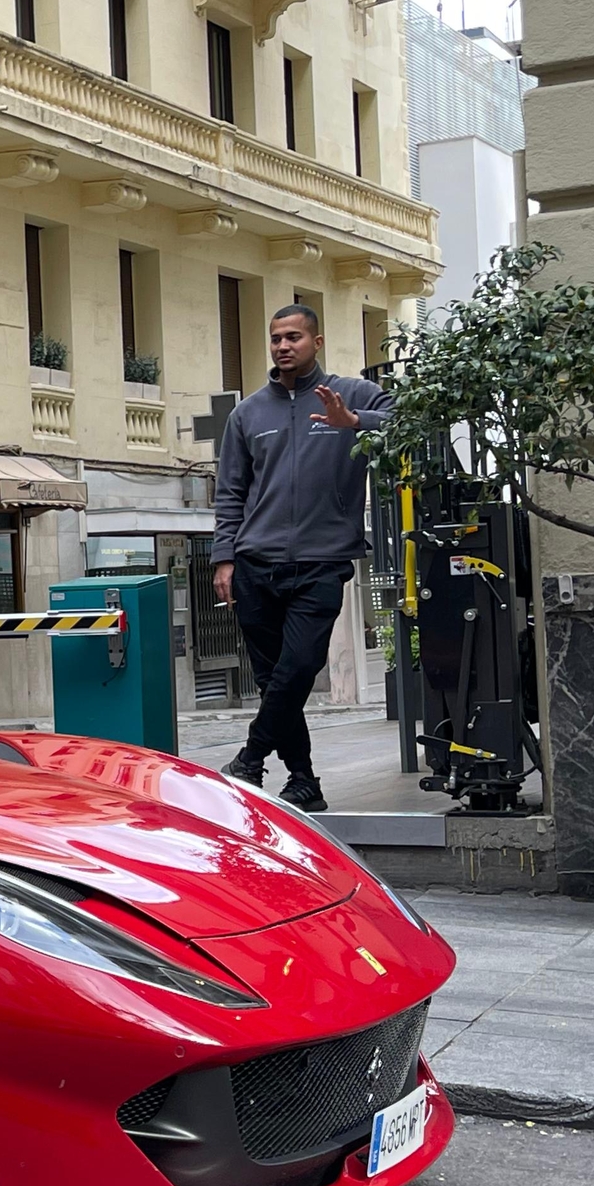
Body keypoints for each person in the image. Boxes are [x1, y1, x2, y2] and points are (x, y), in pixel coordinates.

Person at [211, 302, 391, 813]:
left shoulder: (352, 394)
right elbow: (230, 492)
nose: (283, 346)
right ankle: (304, 782)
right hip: (254, 565)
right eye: (275, 338)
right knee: (274, 680)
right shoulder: (248, 413)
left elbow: (410, 429)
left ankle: (249, 758)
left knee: (299, 666)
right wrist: (225, 558)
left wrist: (355, 421)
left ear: (316, 341)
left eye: (293, 337)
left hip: (321, 561)